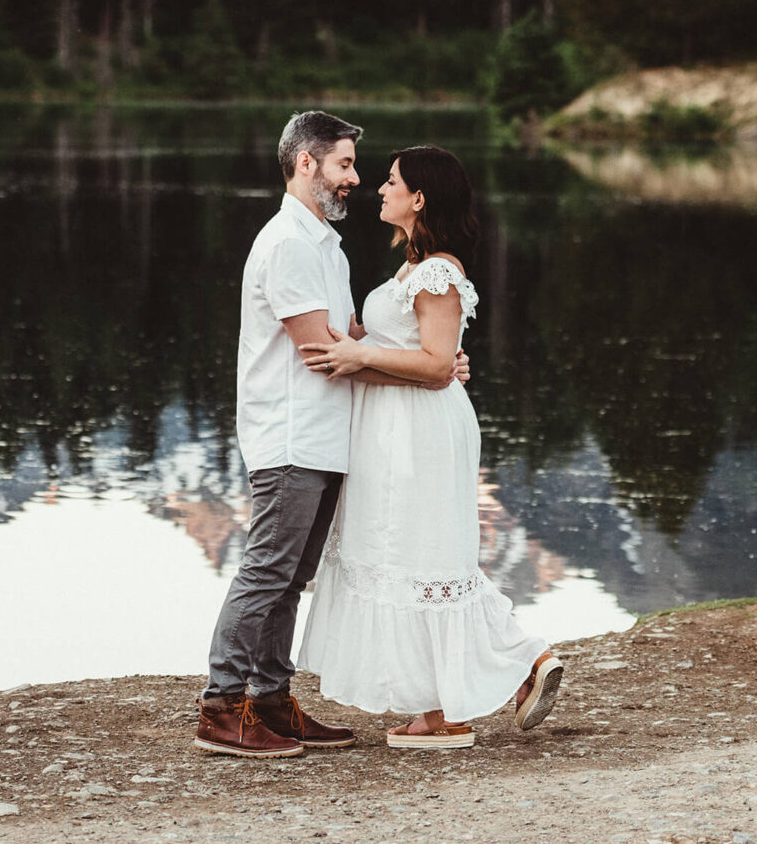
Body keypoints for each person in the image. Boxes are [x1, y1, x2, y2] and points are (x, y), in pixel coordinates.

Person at [193, 112, 465, 758]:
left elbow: (355, 344)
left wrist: (434, 361)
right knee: (267, 573)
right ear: (307, 163)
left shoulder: (323, 244)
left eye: (354, 166)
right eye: (344, 164)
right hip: (291, 435)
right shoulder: (287, 242)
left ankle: (271, 702)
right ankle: (220, 708)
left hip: (327, 435)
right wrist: (430, 377)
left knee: (290, 576)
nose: (355, 179)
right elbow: (321, 352)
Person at [296, 146, 564, 749]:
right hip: (394, 424)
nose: (378, 188)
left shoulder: (438, 271)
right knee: (412, 554)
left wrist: (362, 353)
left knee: (424, 556)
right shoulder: (412, 268)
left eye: (390, 181)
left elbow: (438, 362)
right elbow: (423, 356)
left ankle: (459, 705)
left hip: (417, 432)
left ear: (418, 198)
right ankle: (490, 680)